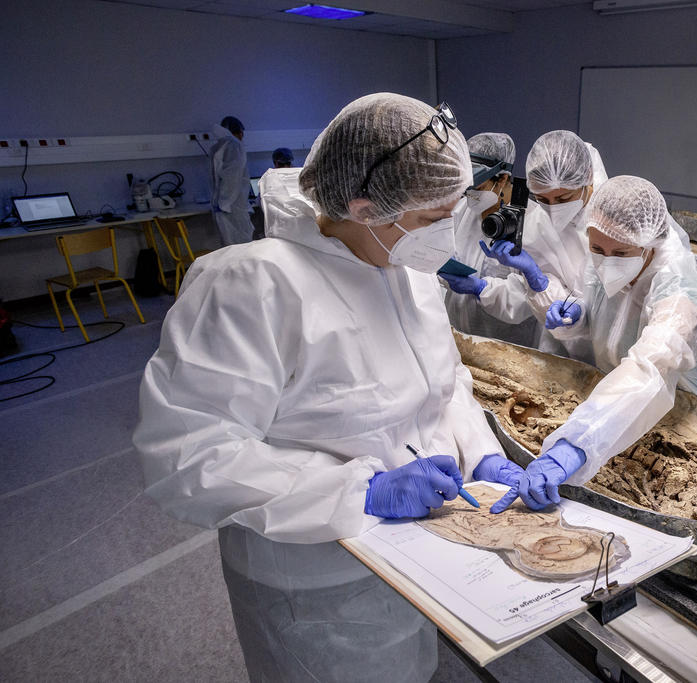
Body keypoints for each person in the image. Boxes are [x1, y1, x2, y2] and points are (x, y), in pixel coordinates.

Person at [134, 94, 527, 682]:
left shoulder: (408, 272)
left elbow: (446, 386)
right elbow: (188, 456)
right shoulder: (251, 285)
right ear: (366, 207)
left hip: (420, 551)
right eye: (430, 219)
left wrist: (484, 452)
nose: (447, 236)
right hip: (314, 579)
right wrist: (360, 491)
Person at [491, 175, 697, 513]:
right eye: (597, 249)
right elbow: (598, 312)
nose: (606, 260)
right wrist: (576, 313)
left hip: (682, 410)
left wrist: (576, 444)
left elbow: (651, 366)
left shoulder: (676, 283)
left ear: (649, 245)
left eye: (621, 253)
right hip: (616, 404)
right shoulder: (602, 252)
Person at [445, 130, 607, 353]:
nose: (552, 208)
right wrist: (540, 284)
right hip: (565, 342)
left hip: (523, 341)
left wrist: (486, 288)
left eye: (562, 199)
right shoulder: (540, 224)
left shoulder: (611, 217)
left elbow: (608, 298)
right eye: (542, 199)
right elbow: (555, 295)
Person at [437, 132, 537, 346]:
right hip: (459, 333)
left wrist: (481, 288)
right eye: (466, 189)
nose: (470, 195)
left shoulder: (533, 224)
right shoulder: (462, 210)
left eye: (478, 188)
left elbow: (528, 301)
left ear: (502, 179)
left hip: (508, 343)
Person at [210, 115, 257, 245]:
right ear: (240, 133)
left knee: (228, 244)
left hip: (222, 204)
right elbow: (232, 178)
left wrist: (221, 202)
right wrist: (225, 202)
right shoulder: (235, 146)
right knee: (242, 244)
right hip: (232, 205)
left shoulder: (217, 147)